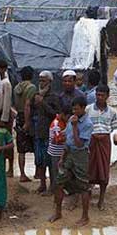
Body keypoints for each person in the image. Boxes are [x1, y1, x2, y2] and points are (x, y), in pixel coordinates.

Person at [49, 97, 93, 226]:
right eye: (73, 109)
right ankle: (58, 212)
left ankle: (85, 217)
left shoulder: (88, 124)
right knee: (59, 182)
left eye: (76, 109)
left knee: (83, 186)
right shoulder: (72, 119)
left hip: (80, 155)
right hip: (69, 153)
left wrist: (74, 126)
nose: (74, 111)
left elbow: (79, 144)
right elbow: (68, 140)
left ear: (83, 108)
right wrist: (62, 157)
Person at [87, 85, 117, 208]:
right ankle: (87, 196)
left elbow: (112, 128)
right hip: (91, 140)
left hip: (104, 142)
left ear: (107, 96)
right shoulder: (88, 109)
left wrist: (102, 135)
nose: (99, 97)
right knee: (89, 167)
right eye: (97, 95)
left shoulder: (112, 112)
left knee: (104, 168)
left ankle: (101, 198)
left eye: (102, 95)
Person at [14, 67, 39, 185]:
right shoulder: (31, 88)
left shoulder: (16, 88)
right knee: (35, 145)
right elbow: (28, 105)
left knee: (21, 148)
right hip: (29, 118)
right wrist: (28, 122)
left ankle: (22, 174)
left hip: (19, 116)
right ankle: (37, 172)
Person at [47, 105, 69, 194]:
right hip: (56, 152)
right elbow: (58, 139)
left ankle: (57, 189)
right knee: (56, 172)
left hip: (60, 151)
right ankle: (56, 190)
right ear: (63, 114)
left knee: (60, 171)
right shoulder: (56, 124)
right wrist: (70, 137)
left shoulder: (62, 122)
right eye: (67, 117)